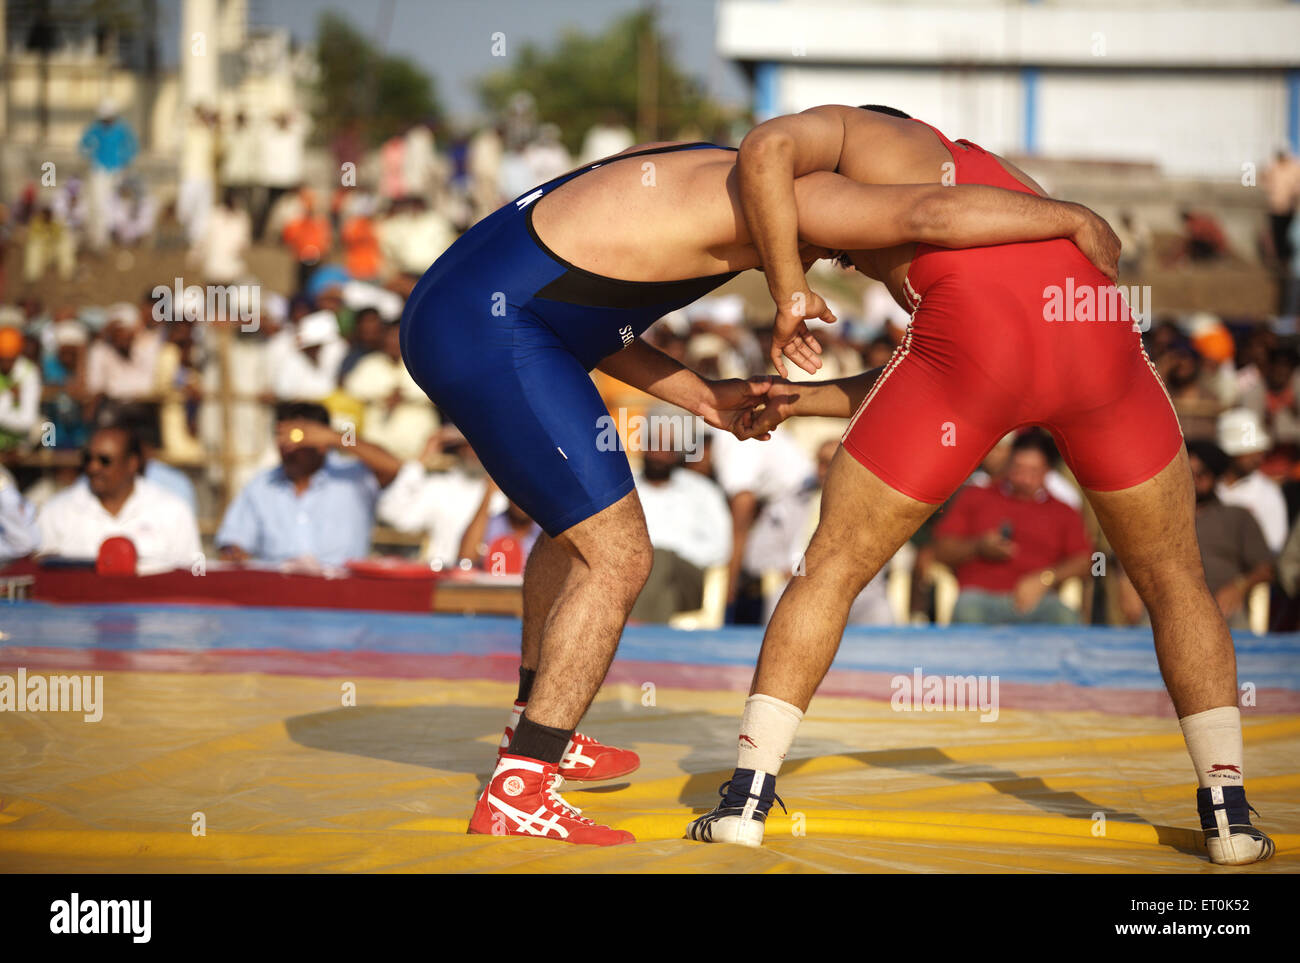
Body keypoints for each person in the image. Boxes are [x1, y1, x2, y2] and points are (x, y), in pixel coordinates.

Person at [401, 119, 1122, 845]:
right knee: (615, 556)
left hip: (477, 305)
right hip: (491, 327)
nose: (865, 267)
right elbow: (928, 212)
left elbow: (586, 315)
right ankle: (520, 786)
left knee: (579, 525)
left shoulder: (691, 168)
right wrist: (1072, 215)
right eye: (861, 256)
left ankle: (537, 722)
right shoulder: (804, 195)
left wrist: (704, 396)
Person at [684, 104, 1272, 865]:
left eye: (836, 252)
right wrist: (801, 397)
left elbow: (767, 146)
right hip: (1095, 343)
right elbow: (940, 364)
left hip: (977, 345)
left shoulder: (875, 139)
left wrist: (787, 287)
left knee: (829, 569)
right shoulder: (1004, 185)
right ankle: (1227, 813)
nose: (844, 257)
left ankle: (746, 799)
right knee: (1174, 577)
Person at [932, 431, 1092, 625]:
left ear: (1047, 472)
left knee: (1066, 618)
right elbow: (941, 549)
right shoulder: (974, 496)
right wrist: (978, 547)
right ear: (1008, 464)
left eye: (1033, 472)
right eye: (1018, 469)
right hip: (981, 598)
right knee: (967, 610)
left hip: (1039, 601)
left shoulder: (1063, 511)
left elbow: (1086, 562)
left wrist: (1046, 578)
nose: (1024, 478)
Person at [216, 402, 399, 567]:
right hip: (278, 593)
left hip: (343, 592)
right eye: (280, 435)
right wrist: (234, 554)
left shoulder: (353, 477)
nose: (287, 445)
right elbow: (232, 543)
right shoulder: (261, 486)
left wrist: (335, 438)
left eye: (295, 436)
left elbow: (394, 467)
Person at [36, 425, 200, 573]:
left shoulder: (173, 511)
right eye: (88, 459)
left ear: (132, 463)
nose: (94, 467)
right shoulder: (57, 511)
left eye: (104, 461)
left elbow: (189, 575)